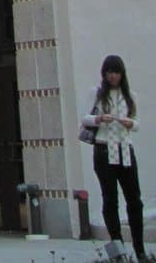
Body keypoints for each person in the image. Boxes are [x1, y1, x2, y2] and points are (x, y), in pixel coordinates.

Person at [82, 54, 148, 261]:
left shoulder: (130, 96)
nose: (113, 77)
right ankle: (117, 250)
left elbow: (137, 123)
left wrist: (130, 123)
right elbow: (85, 119)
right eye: (109, 72)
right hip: (103, 150)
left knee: (134, 200)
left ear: (122, 74)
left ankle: (140, 250)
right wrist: (100, 118)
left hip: (125, 150)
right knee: (110, 199)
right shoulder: (97, 93)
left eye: (116, 72)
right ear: (104, 74)